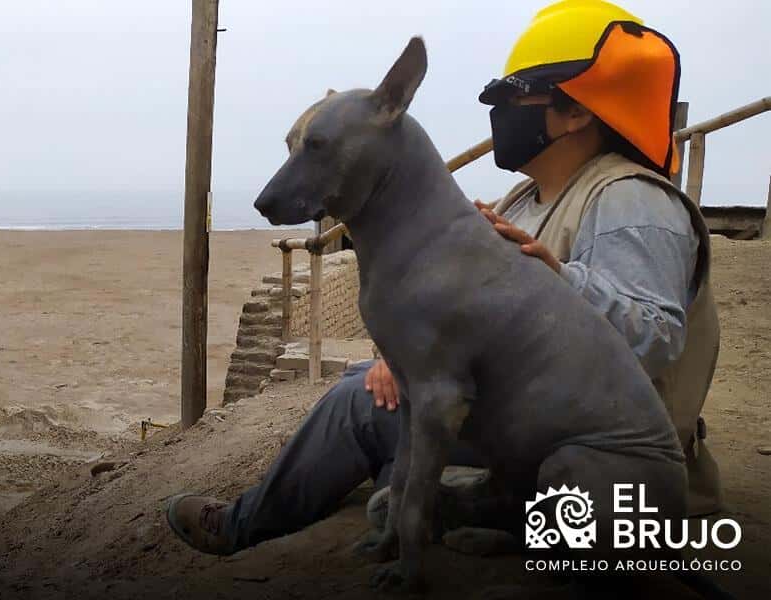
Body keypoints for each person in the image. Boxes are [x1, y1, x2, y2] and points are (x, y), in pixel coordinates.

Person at [164, 0, 721, 557]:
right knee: (379, 391)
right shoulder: (528, 198)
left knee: (355, 406)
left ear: (576, 113)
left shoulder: (633, 202)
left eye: (513, 95)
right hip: (522, 412)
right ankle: (457, 512)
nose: (497, 110)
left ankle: (239, 528)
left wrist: (557, 276)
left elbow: (658, 339)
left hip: (601, 454)